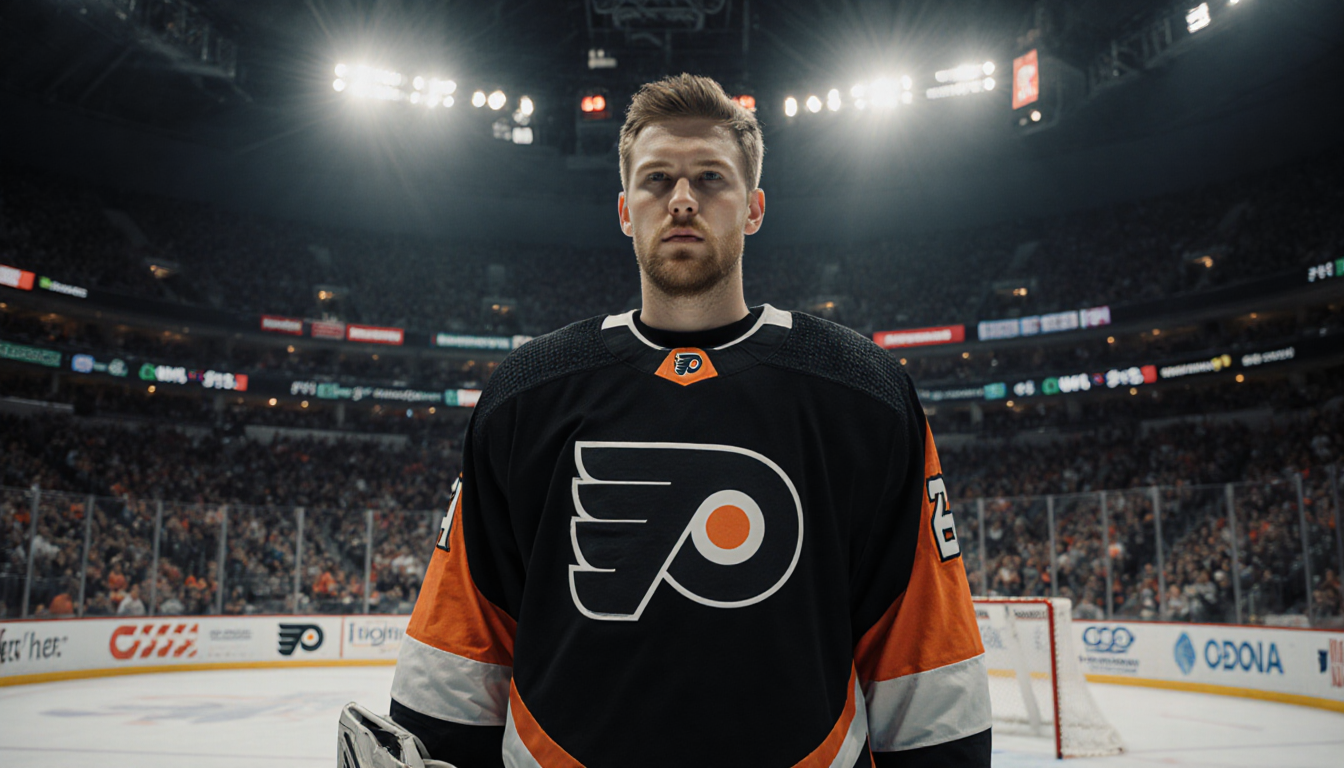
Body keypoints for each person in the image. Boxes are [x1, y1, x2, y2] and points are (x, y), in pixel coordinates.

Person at [385, 74, 990, 767]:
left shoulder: (864, 394)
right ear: (623, 209)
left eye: (710, 178)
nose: (681, 199)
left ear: (755, 207)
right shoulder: (527, 393)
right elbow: (464, 638)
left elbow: (924, 656)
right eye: (656, 180)